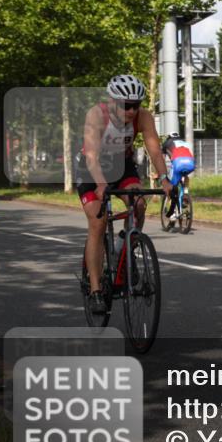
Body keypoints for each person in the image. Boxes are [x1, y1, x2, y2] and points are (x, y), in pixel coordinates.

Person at [77, 75, 171, 314]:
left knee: (138, 204)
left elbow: (155, 151)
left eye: (136, 105)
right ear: (112, 102)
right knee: (98, 222)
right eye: (125, 105)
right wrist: (100, 185)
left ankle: (125, 250)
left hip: (122, 165)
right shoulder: (96, 115)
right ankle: (96, 291)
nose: (131, 111)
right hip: (92, 169)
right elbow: (91, 157)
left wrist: (165, 180)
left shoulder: (144, 117)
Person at [161, 132, 196, 220]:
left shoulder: (167, 143)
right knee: (185, 176)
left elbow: (161, 159)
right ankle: (185, 192)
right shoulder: (184, 143)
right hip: (190, 164)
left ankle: (173, 213)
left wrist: (161, 173)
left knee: (172, 188)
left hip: (177, 163)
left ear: (169, 137)